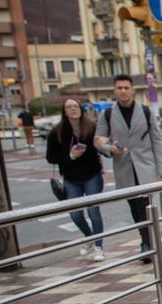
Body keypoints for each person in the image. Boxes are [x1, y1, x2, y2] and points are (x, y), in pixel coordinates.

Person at [94, 74, 162, 264]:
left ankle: (147, 244)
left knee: (145, 206)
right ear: (114, 91)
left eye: (126, 88)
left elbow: (157, 140)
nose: (123, 91)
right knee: (134, 209)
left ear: (133, 90)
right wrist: (109, 149)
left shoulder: (144, 112)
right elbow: (99, 139)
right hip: (124, 168)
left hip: (146, 167)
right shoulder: (108, 114)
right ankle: (147, 241)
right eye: (119, 88)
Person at [45, 98, 106, 262]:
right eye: (69, 107)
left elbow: (100, 147)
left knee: (94, 211)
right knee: (75, 214)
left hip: (92, 174)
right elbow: (50, 157)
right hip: (71, 177)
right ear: (64, 111)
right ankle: (89, 237)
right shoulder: (57, 132)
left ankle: (99, 247)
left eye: (75, 106)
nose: (73, 109)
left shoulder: (91, 127)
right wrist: (70, 155)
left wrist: (105, 150)